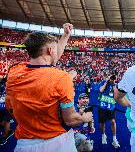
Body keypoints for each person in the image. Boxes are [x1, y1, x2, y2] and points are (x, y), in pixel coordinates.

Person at [5, 23, 93, 152]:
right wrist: (85, 118)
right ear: (50, 51)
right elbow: (70, 120)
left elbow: (45, 71)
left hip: (24, 144)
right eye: (55, 48)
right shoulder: (61, 78)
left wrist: (66, 36)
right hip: (57, 143)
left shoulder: (14, 71)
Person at [98, 75, 120, 148]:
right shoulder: (104, 83)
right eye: (111, 78)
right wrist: (106, 82)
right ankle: (103, 135)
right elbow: (101, 90)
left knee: (113, 122)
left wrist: (113, 84)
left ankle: (114, 139)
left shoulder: (116, 85)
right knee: (102, 122)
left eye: (113, 78)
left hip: (111, 107)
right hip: (102, 106)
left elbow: (116, 95)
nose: (112, 80)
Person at [0, 75, 13, 145]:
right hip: (5, 104)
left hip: (6, 105)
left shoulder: (8, 83)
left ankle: (6, 134)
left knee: (6, 119)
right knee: (4, 119)